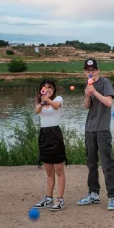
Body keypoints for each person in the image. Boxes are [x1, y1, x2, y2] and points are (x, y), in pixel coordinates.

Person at [77, 58, 114, 211]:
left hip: (102, 129)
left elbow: (108, 103)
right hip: (90, 129)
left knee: (107, 164)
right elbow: (87, 106)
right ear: (84, 72)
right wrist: (88, 95)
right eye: (88, 70)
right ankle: (93, 194)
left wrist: (94, 91)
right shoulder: (87, 85)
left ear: (98, 70)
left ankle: (113, 197)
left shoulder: (105, 83)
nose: (91, 72)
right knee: (91, 163)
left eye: (93, 70)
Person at [33, 79, 67, 211]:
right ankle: (48, 197)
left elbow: (56, 106)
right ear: (41, 88)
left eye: (49, 87)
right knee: (48, 170)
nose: (47, 89)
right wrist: (42, 102)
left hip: (55, 134)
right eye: (44, 87)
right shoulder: (39, 100)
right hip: (44, 135)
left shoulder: (58, 98)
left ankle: (60, 199)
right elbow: (37, 111)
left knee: (59, 169)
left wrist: (48, 99)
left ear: (53, 89)